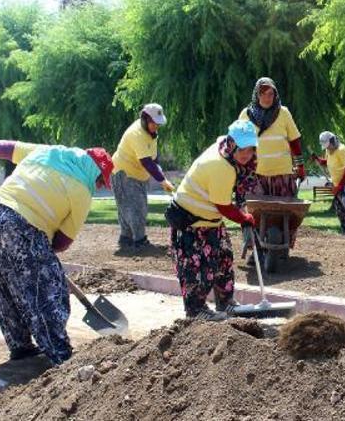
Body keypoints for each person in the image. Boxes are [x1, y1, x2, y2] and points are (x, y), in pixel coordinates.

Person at [0, 140, 114, 365]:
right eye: (100, 181)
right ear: (96, 173)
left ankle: (21, 347)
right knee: (49, 287)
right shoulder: (82, 191)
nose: (97, 187)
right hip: (20, 225)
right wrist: (41, 248)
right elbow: (63, 241)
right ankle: (60, 353)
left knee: (2, 285)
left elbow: (5, 149)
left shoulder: (47, 152)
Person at [167, 120, 258, 320]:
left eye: (251, 148)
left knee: (224, 260)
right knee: (196, 269)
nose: (247, 153)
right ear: (232, 143)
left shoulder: (224, 149)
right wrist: (243, 218)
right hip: (190, 223)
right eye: (243, 148)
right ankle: (196, 311)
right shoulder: (221, 167)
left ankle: (226, 303)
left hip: (211, 221)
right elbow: (223, 206)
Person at [238, 77, 304, 249]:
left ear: (275, 95)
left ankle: (282, 246)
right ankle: (255, 248)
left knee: (285, 215)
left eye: (271, 94)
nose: (267, 98)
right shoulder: (246, 115)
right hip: (255, 175)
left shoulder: (283, 113)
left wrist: (301, 166)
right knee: (252, 213)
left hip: (282, 175)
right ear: (256, 94)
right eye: (263, 94)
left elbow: (295, 141)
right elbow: (240, 143)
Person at [111, 103, 175, 249]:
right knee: (136, 207)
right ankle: (140, 241)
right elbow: (146, 162)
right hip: (124, 173)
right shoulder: (137, 134)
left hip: (137, 175)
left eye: (158, 123)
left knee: (132, 207)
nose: (156, 126)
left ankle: (125, 239)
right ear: (145, 119)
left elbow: (154, 159)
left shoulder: (152, 135)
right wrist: (161, 180)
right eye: (154, 123)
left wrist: (162, 177)